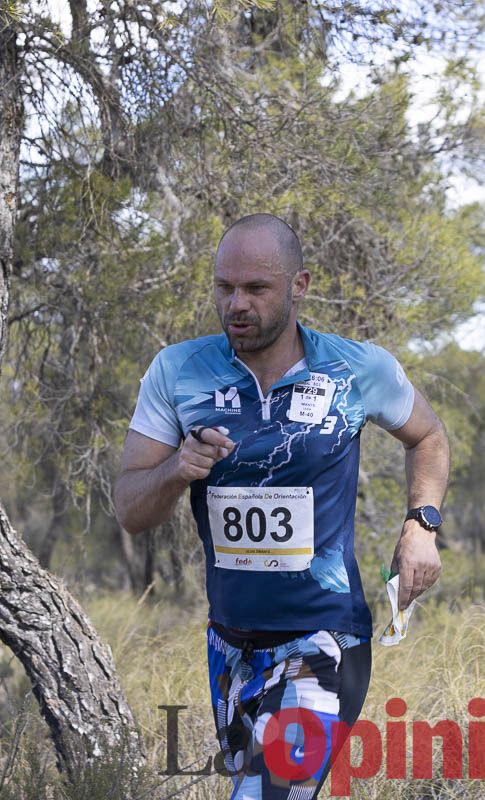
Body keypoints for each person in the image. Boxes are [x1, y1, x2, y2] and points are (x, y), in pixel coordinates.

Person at [114, 213, 449, 798]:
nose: (237, 304)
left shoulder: (356, 369)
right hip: (231, 643)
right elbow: (130, 508)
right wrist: (177, 469)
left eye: (256, 289)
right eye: (225, 288)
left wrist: (422, 525)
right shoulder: (177, 372)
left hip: (325, 638)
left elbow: (429, 436)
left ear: (300, 286)